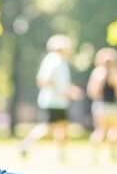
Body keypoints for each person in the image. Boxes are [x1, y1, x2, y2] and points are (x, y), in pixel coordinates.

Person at [18, 35, 79, 163]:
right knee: (48, 128)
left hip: (59, 101)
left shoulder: (61, 61)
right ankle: (26, 144)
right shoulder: (54, 60)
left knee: (62, 128)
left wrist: (69, 90)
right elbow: (44, 80)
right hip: (53, 101)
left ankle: (62, 155)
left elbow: (62, 83)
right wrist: (62, 91)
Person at [86, 47, 117, 162]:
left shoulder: (97, 74)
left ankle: (95, 155)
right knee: (114, 131)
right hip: (113, 106)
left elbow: (91, 92)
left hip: (100, 106)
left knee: (99, 130)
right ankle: (113, 154)